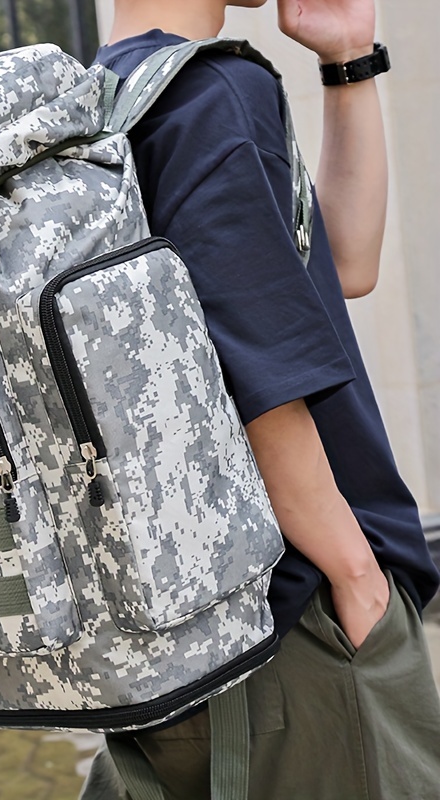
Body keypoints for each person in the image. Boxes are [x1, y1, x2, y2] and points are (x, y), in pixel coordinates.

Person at [82, 1, 440, 797]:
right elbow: (261, 376)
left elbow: (342, 264)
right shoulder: (211, 93)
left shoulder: (97, 105)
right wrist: (356, 576)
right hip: (295, 621)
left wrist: (348, 60)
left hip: (172, 638)